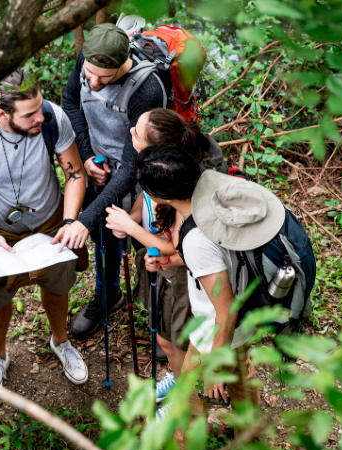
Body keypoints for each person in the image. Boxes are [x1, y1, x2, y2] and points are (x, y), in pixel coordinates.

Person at [0, 71, 91, 397]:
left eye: (40, 108)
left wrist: (69, 221)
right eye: (29, 115)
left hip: (51, 223)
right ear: (2, 114)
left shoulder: (52, 118)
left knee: (57, 284)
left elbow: (75, 174)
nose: (40, 117)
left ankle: (61, 341)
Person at [136, 146, 271, 425]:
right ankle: (251, 443)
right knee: (243, 387)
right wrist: (169, 260)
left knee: (187, 408)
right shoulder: (210, 196)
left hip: (215, 335)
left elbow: (225, 310)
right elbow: (217, 262)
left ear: (161, 196)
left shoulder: (197, 239)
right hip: (243, 323)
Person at [103, 108, 224, 402]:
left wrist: (130, 229)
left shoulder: (186, 191)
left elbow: (180, 244)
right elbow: (146, 202)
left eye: (137, 133)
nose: (130, 131)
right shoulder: (159, 171)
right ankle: (178, 375)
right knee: (164, 337)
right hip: (160, 263)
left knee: (176, 341)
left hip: (184, 276)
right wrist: (132, 220)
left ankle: (185, 397)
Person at [60, 23, 167, 340]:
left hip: (140, 172)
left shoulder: (147, 89)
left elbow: (134, 162)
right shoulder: (89, 57)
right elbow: (70, 102)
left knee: (150, 243)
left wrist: (83, 219)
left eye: (103, 79)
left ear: (121, 64)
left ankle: (159, 316)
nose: (92, 83)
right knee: (105, 240)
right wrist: (88, 155)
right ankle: (108, 295)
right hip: (99, 161)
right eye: (89, 74)